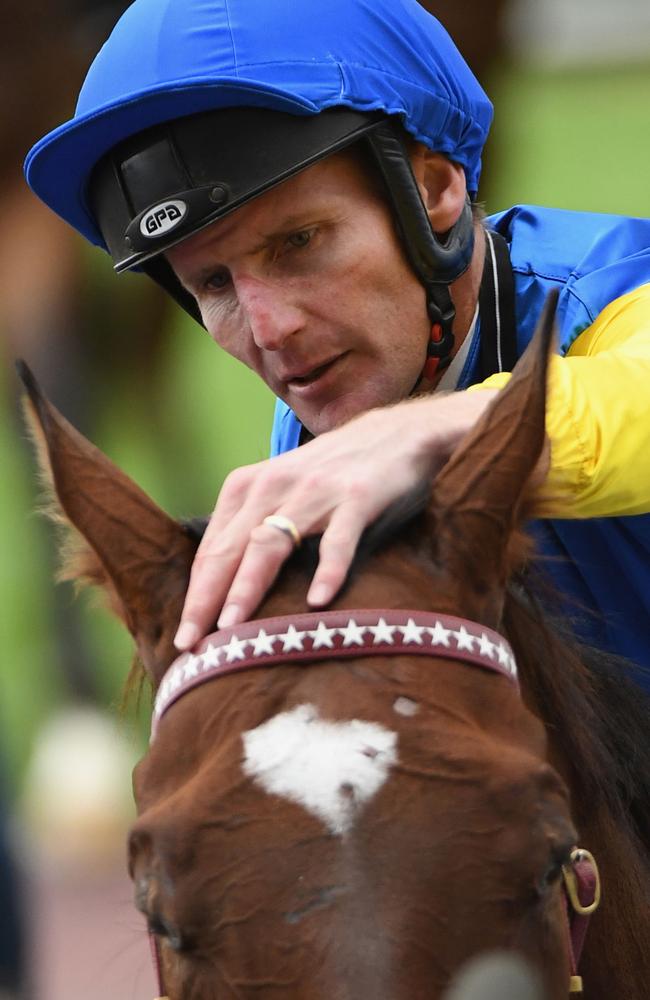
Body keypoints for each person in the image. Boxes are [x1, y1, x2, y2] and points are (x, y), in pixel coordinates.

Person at [25, 0, 650, 684]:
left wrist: (429, 433)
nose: (270, 330)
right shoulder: (329, 420)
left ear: (436, 187)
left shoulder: (612, 291)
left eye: (298, 242)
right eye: (213, 283)